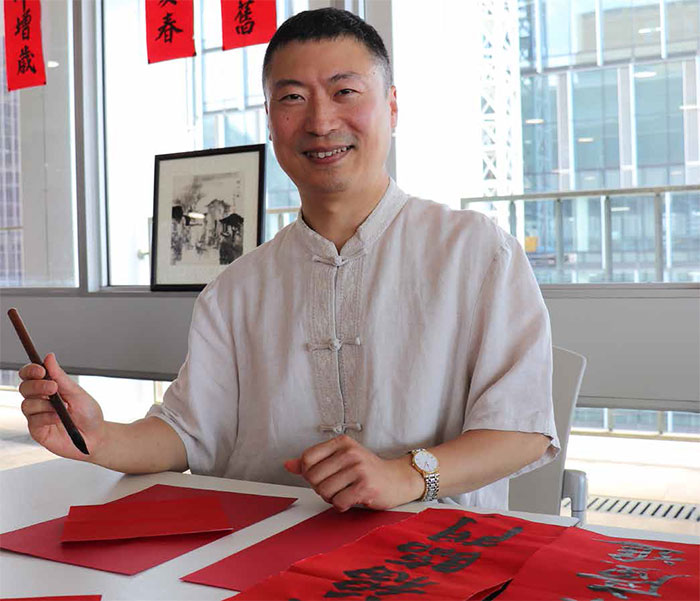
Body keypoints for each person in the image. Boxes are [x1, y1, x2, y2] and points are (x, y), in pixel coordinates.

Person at [18, 8, 558, 512]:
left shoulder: (477, 251)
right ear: (271, 121)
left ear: (391, 106)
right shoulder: (237, 289)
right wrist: (97, 434)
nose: (321, 122)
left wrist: (406, 475)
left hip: (428, 557)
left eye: (345, 91)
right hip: (254, 553)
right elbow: (188, 432)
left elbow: (523, 429)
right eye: (293, 98)